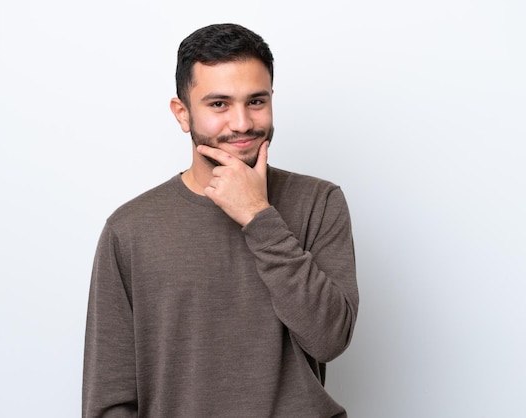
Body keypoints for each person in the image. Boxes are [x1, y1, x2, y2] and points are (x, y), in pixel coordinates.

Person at [82, 23, 359, 418]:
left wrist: (258, 216)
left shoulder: (319, 202)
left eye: (256, 101)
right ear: (183, 113)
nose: (243, 123)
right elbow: (109, 397)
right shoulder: (129, 230)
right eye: (219, 104)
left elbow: (329, 338)